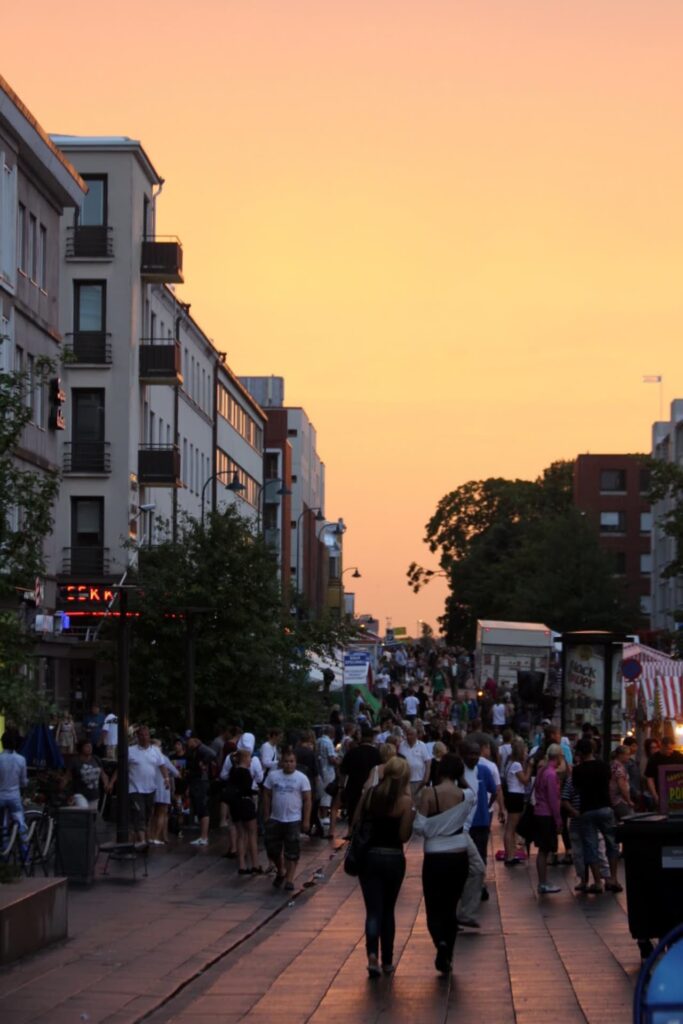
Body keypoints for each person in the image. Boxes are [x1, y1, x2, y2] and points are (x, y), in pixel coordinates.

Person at [414, 754, 477, 975]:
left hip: (434, 856)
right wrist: (463, 780)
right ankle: (448, 951)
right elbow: (472, 792)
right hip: (458, 854)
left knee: (433, 906)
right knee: (451, 906)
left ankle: (439, 941)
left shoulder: (429, 794)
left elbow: (420, 827)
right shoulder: (466, 795)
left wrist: (434, 826)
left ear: (440, 771)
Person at [356, 756, 414, 977]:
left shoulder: (371, 795)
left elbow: (356, 821)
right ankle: (388, 960)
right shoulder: (405, 802)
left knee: (373, 910)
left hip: (369, 856)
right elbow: (404, 835)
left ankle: (372, 956)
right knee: (388, 910)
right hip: (393, 857)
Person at [572, 737, 622, 894]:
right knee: (611, 843)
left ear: (579, 752)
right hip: (605, 807)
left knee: (591, 845)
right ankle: (613, 878)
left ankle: (598, 882)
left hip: (587, 810)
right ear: (593, 750)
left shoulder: (578, 770)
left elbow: (577, 788)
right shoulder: (603, 766)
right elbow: (608, 782)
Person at [262, 748, 311, 891]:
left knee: (292, 850)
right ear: (281, 762)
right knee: (273, 849)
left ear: (295, 763)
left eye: (291, 761)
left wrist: (306, 820)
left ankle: (290, 878)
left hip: (293, 819)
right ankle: (281, 870)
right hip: (276, 818)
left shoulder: (301, 778)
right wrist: (266, 813)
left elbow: (307, 799)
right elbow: (266, 794)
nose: (289, 764)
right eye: (286, 761)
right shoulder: (273, 776)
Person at [461, 740, 497, 900]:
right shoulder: (459, 771)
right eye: (470, 753)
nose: (474, 757)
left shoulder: (484, 770)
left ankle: (480, 885)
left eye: (476, 753)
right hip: (463, 824)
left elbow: (494, 791)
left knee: (481, 855)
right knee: (465, 856)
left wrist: (486, 807)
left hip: (481, 822)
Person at [126, 725, 170, 843]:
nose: (144, 737)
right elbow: (121, 767)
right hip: (135, 788)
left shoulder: (155, 751)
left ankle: (140, 835)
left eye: (146, 735)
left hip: (150, 788)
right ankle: (142, 840)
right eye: (142, 735)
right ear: (137, 736)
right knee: (139, 812)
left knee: (147, 814)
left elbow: (162, 765)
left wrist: (166, 778)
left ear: (149, 736)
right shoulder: (130, 750)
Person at [533, 744, 564, 894]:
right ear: (557, 757)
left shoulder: (542, 771)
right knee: (544, 850)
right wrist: (558, 819)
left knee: (542, 850)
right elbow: (553, 799)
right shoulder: (551, 774)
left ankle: (543, 881)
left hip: (539, 812)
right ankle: (543, 882)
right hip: (547, 815)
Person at [340, 725, 382, 832]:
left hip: (353, 787)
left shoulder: (352, 753)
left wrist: (341, 787)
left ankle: (352, 831)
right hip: (371, 788)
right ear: (372, 738)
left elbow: (343, 772)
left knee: (353, 810)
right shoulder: (377, 753)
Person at [226, 748, 261, 874]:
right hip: (246, 803)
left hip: (235, 805)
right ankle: (255, 864)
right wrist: (255, 792)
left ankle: (242, 865)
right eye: (249, 758)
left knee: (241, 835)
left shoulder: (233, 772)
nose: (251, 760)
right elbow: (247, 789)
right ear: (245, 758)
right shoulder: (245, 772)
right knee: (252, 834)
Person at [503, 738, 531, 865]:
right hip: (515, 796)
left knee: (510, 827)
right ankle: (509, 856)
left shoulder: (510, 763)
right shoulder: (516, 765)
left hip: (512, 795)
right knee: (511, 828)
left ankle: (511, 854)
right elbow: (524, 780)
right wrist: (529, 767)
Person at [185, 733, 216, 846]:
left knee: (202, 806)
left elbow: (212, 754)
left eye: (189, 741)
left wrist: (203, 763)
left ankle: (204, 836)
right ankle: (203, 835)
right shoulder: (194, 751)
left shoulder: (201, 749)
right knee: (200, 806)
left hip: (201, 782)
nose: (187, 744)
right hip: (197, 781)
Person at [0, 730, 28, 848]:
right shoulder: (21, 759)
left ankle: (4, 853)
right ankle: (25, 853)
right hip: (14, 797)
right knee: (21, 823)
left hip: (0, 796)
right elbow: (23, 782)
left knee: (2, 825)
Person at [71, 739, 109, 811]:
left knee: (92, 817)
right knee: (84, 812)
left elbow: (103, 774)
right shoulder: (75, 761)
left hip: (94, 795)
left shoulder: (96, 759)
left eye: (90, 746)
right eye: (87, 746)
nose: (90, 748)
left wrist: (106, 783)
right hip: (80, 794)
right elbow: (68, 776)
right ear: (81, 748)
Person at [644, 735, 683, 804]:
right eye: (668, 749)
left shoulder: (678, 756)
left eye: (672, 749)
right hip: (660, 792)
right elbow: (650, 778)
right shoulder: (654, 759)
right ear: (661, 746)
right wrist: (655, 795)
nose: (670, 751)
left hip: (677, 792)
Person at [398, 726, 431, 796]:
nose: (408, 736)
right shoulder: (401, 745)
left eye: (411, 734)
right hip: (406, 780)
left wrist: (426, 777)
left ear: (416, 735)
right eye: (407, 734)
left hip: (419, 779)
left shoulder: (422, 745)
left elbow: (428, 761)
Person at [609, 745, 635, 820]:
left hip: (613, 799)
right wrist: (629, 800)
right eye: (627, 754)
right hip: (619, 800)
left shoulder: (613, 764)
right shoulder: (618, 767)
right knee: (629, 820)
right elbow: (622, 786)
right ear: (620, 755)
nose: (629, 757)